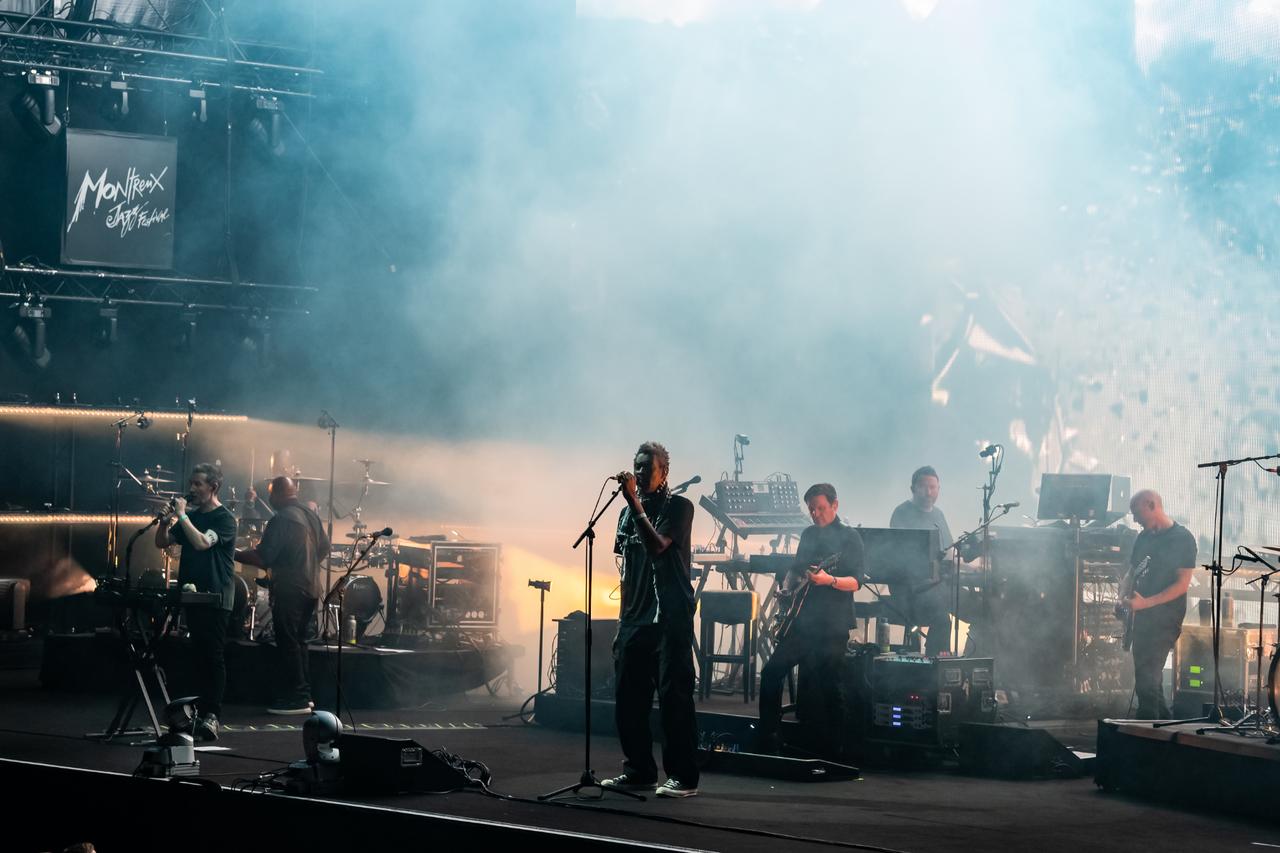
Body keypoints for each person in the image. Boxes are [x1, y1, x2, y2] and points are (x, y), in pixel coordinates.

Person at [601, 442, 700, 798]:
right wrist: (621, 623)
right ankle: (639, 770)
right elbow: (626, 570)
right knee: (629, 699)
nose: (639, 473)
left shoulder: (679, 507)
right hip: (635, 618)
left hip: (669, 616)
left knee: (674, 698)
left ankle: (683, 777)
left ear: (664, 472)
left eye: (647, 468)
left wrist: (634, 503)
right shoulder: (627, 513)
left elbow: (658, 547)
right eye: (636, 466)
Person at [756, 483, 864, 755]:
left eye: (821, 508)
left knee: (831, 683)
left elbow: (856, 582)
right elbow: (796, 570)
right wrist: (787, 587)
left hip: (833, 624)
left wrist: (830, 580)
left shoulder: (850, 538)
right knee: (771, 672)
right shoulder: (808, 534)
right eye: (812, 509)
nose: (816, 514)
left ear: (835, 505)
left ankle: (837, 747)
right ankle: (769, 735)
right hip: (803, 621)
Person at [155, 462, 237, 740]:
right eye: (191, 483)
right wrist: (167, 523)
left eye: (198, 484)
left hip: (216, 596)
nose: (192, 489)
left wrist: (182, 516)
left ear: (213, 487)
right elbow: (162, 543)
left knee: (212, 655)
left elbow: (202, 543)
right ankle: (193, 713)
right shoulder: (190, 516)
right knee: (197, 655)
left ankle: (212, 716)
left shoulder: (225, 518)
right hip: (192, 595)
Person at [235, 476, 330, 715]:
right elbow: (325, 546)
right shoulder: (310, 515)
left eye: (270, 494)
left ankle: (295, 699)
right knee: (300, 642)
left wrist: (233, 553)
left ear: (277, 495)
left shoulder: (281, 519)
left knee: (288, 642)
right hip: (311, 588)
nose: (268, 499)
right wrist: (306, 564)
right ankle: (305, 695)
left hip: (290, 589)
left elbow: (263, 556)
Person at [1122, 489, 1195, 720]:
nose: (1134, 519)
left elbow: (1182, 584)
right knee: (1149, 679)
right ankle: (1165, 727)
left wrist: (1146, 604)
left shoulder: (1181, 539)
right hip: (1141, 618)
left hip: (1165, 619)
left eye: (1137, 513)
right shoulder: (1143, 538)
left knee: (1146, 680)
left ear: (1152, 505)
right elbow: (1131, 572)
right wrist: (1121, 599)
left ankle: (1145, 734)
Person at [889, 465, 958, 656]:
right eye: (924, 487)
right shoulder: (902, 513)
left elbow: (949, 549)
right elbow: (899, 555)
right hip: (911, 589)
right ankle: (935, 665)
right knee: (943, 618)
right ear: (913, 488)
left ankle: (974, 661)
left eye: (933, 487)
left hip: (937, 585)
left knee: (981, 605)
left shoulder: (939, 514)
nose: (929, 492)